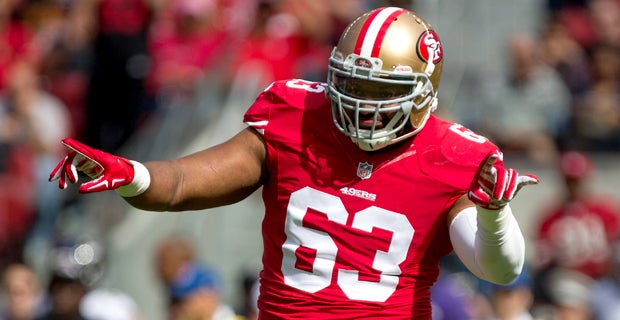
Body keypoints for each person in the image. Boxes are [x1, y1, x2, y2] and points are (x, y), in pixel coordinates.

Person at [48, 7, 539, 319]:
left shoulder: (453, 154)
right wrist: (134, 174)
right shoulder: (296, 115)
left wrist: (495, 214)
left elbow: (500, 269)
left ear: (423, 96)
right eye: (352, 85)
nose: (361, 104)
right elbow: (181, 182)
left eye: (379, 93)